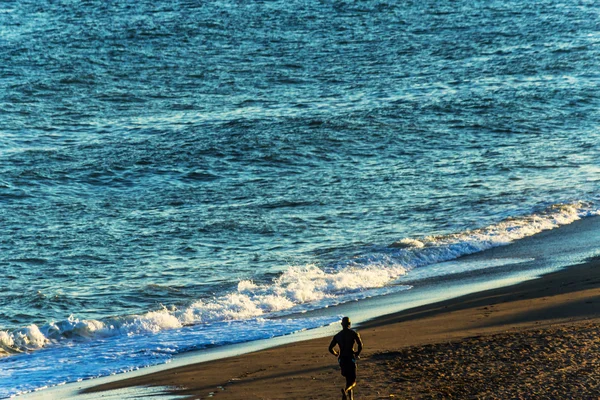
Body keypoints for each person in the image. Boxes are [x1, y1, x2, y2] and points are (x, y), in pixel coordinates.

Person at [328, 316, 363, 400]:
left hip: (342, 359)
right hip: (350, 357)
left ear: (341, 324)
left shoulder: (337, 336)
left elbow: (330, 348)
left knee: (348, 379)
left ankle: (350, 398)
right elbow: (360, 345)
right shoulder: (353, 333)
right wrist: (357, 353)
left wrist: (336, 354)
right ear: (349, 324)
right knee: (353, 381)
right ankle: (346, 391)